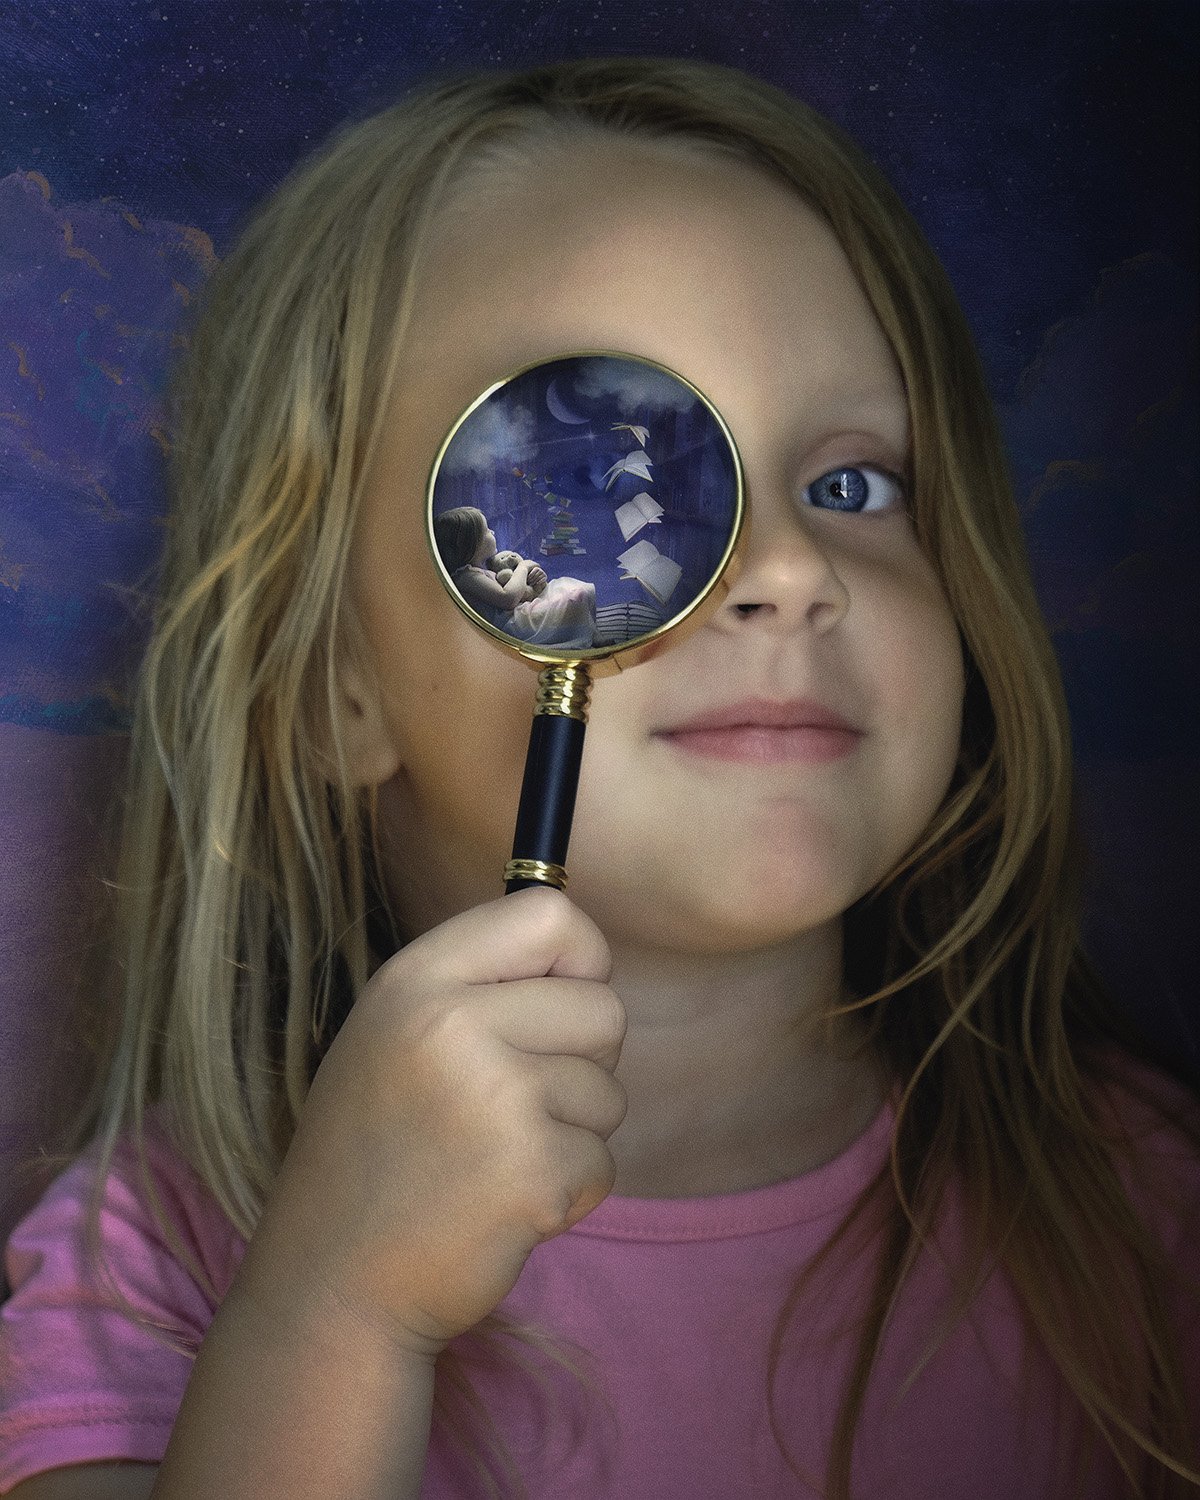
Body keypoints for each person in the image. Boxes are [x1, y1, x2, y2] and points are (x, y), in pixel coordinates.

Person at [1, 54, 1197, 1500]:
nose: (790, 570)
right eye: (589, 480)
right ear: (333, 685)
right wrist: (336, 1316)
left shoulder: (1146, 1216)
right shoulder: (155, 1276)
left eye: (852, 485)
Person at [434, 504, 597, 648]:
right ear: (471, 543)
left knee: (566, 588)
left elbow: (516, 591)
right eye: (487, 531)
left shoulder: (479, 570)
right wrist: (523, 567)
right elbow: (507, 598)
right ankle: (589, 636)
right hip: (513, 626)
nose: (492, 532)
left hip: (517, 614)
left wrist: (535, 581)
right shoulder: (465, 577)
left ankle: (592, 632)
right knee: (576, 596)